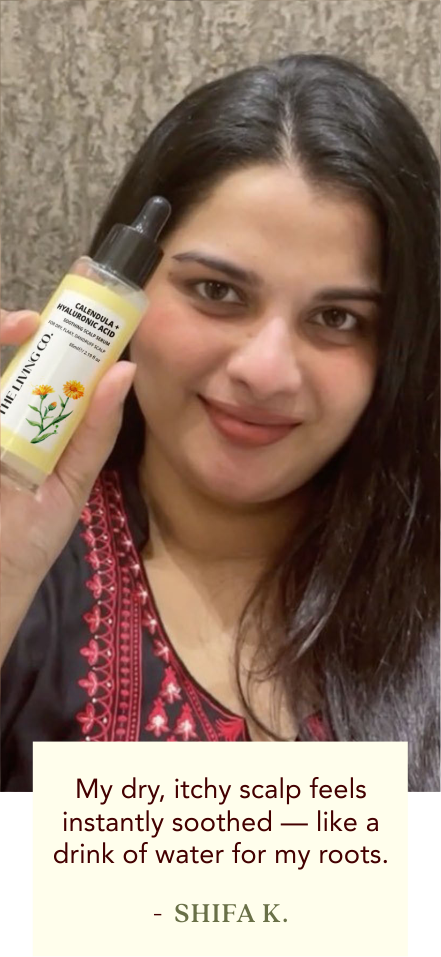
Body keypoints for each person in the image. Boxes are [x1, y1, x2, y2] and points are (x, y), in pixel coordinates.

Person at [1, 53, 439, 792]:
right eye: (216, 291)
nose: (265, 371)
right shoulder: (24, 559)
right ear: (119, 291)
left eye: (337, 318)